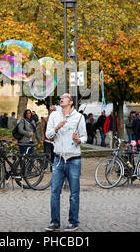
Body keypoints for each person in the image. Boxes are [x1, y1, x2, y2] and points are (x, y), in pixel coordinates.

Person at [45, 93, 87, 232]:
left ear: (70, 102)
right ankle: (54, 222)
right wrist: (57, 127)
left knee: (74, 193)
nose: (61, 98)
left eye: (65, 97)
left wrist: (78, 140)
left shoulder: (79, 117)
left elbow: (85, 136)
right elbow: (48, 135)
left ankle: (73, 222)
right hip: (58, 160)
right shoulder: (54, 116)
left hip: (74, 160)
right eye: (61, 97)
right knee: (54, 192)